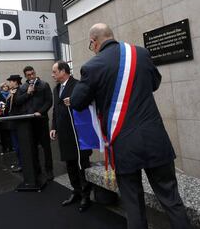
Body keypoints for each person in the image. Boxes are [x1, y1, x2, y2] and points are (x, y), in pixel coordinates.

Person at [68, 23, 191, 229]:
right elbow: (155, 83)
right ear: (111, 36)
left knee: (133, 204)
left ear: (94, 42)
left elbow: (78, 102)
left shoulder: (92, 66)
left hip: (123, 143)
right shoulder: (140, 54)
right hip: (154, 138)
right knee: (171, 199)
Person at [49, 61, 92, 212]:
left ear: (63, 71)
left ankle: (86, 195)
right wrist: (53, 127)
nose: (53, 75)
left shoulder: (78, 85)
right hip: (64, 133)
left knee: (81, 164)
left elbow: (87, 103)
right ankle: (76, 191)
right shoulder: (56, 89)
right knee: (70, 164)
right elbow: (55, 109)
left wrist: (73, 102)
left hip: (78, 132)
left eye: (55, 72)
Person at [14, 66, 54, 181]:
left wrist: (40, 112)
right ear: (25, 76)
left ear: (35, 73)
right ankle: (37, 169)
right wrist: (27, 93)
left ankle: (49, 169)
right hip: (29, 122)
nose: (31, 76)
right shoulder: (22, 87)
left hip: (41, 120)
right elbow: (18, 101)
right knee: (33, 147)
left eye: (33, 73)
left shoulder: (44, 84)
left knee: (46, 147)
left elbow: (49, 101)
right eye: (29, 75)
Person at [5, 75, 24, 172]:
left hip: (17, 122)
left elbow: (18, 105)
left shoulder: (19, 91)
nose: (9, 83)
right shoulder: (11, 92)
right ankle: (21, 162)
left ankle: (23, 164)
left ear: (15, 82)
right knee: (16, 146)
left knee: (19, 146)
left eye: (10, 81)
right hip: (12, 122)